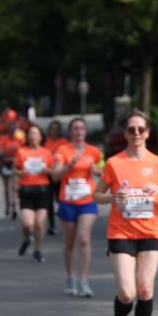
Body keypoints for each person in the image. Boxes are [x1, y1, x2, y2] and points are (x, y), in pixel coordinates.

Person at [93, 110, 158, 316]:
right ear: (125, 133)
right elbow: (96, 195)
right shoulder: (114, 163)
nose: (137, 133)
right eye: (132, 129)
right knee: (127, 293)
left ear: (148, 133)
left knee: (145, 288)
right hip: (120, 232)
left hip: (151, 232)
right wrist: (112, 197)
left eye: (141, 129)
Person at [52, 117, 102, 297]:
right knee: (70, 242)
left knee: (84, 238)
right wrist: (69, 165)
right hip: (67, 200)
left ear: (85, 132)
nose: (78, 131)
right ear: (70, 132)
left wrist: (97, 170)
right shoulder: (62, 150)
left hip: (87, 200)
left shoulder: (94, 151)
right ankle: (70, 277)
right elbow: (55, 176)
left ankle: (84, 279)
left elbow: (102, 170)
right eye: (75, 128)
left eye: (81, 128)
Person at [14, 125, 54, 263]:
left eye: (35, 133)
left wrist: (46, 171)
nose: (33, 136)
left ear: (40, 137)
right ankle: (26, 239)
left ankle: (38, 250)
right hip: (26, 190)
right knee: (27, 224)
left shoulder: (46, 152)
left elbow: (53, 170)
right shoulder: (21, 152)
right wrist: (21, 173)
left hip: (42, 190)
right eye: (30, 133)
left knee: (39, 224)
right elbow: (15, 169)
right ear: (27, 137)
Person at [43, 120, 68, 236]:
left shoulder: (64, 143)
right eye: (52, 129)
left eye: (56, 129)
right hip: (48, 175)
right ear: (49, 130)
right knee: (48, 201)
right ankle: (51, 225)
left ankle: (66, 221)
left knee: (61, 199)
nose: (54, 131)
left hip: (60, 176)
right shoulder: (45, 143)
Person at [0, 124, 23, 218]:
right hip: (5, 165)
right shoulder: (3, 139)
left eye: (14, 130)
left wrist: (14, 157)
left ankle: (13, 207)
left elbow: (22, 152)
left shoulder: (19, 140)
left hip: (15, 166)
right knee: (7, 188)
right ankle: (7, 205)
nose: (12, 131)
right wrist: (6, 154)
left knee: (14, 187)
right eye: (11, 130)